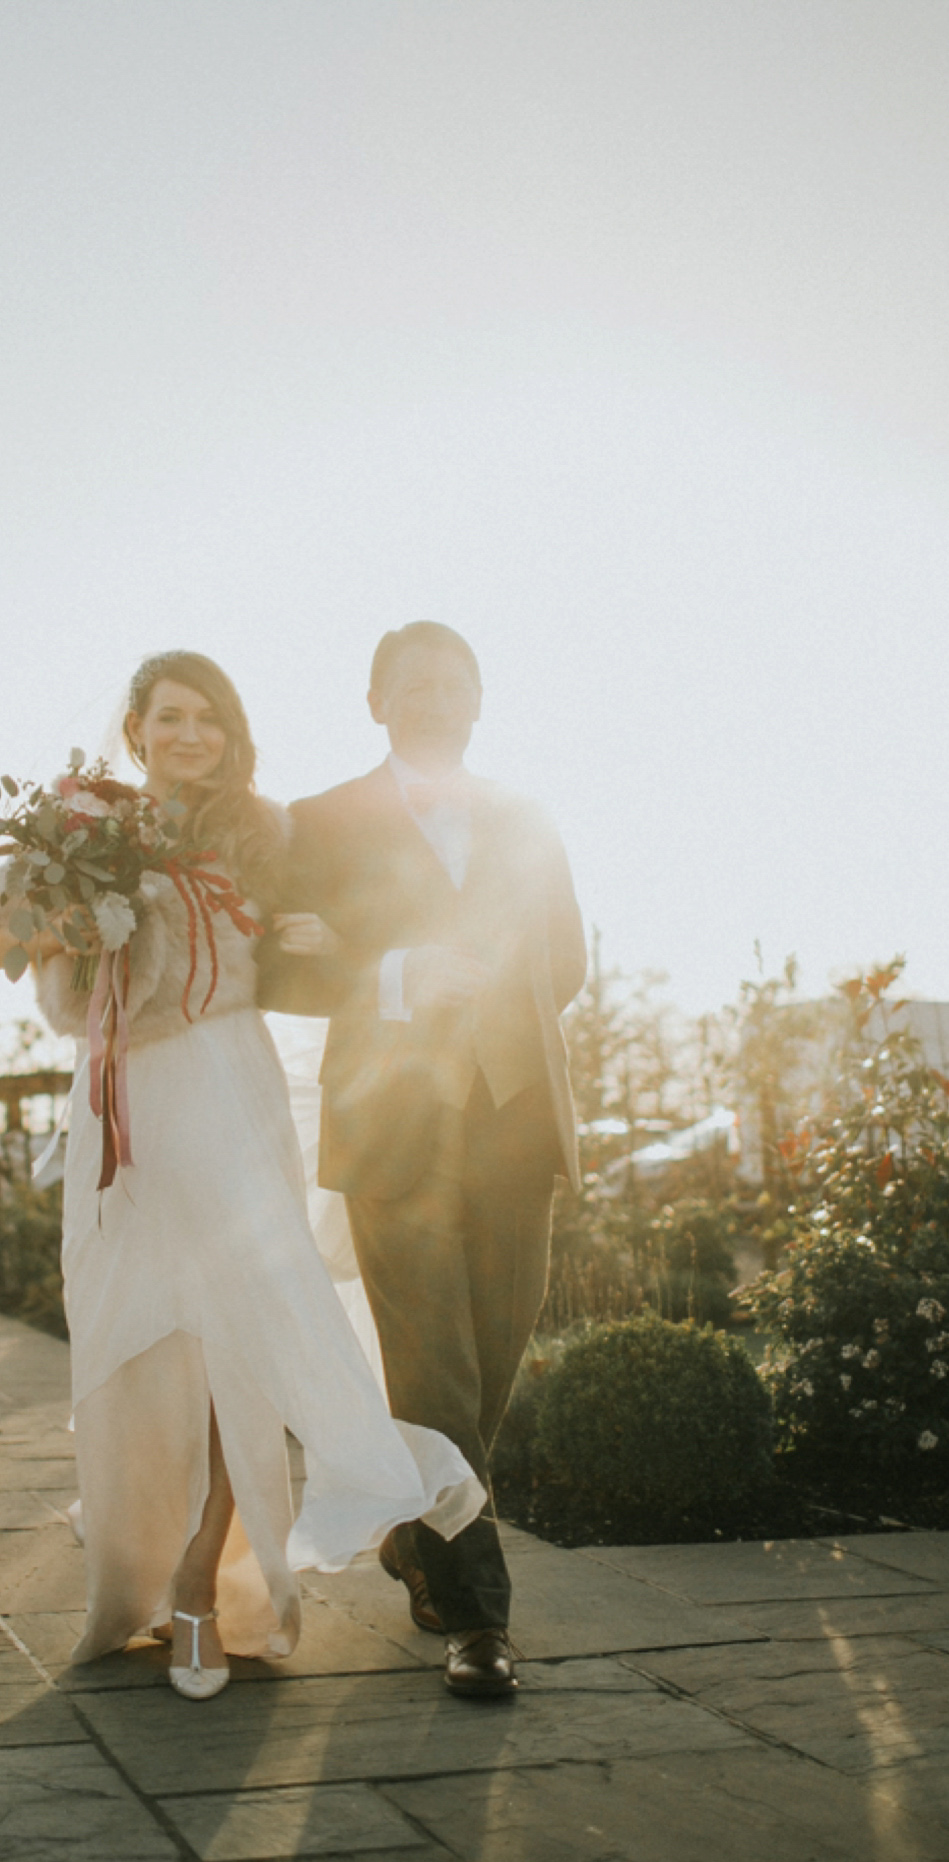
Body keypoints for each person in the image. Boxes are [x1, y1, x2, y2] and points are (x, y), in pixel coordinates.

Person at [0, 651, 483, 1701]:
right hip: (121, 1103)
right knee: (132, 1337)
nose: (190, 733)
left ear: (229, 731)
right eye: (170, 716)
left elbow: (329, 950)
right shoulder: (83, 822)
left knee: (236, 1330)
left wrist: (330, 940)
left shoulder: (267, 832)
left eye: (208, 716)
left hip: (226, 1089)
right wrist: (64, 917)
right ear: (138, 729)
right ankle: (138, 1583)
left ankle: (207, 1584)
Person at [259, 622, 586, 1698]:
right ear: (374, 701)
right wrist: (397, 976)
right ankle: (479, 1621)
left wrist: (494, 1011)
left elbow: (567, 961)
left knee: (492, 1358)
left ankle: (416, 1528)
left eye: (455, 684)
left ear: (481, 701)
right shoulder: (321, 822)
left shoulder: (527, 816)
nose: (436, 698)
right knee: (434, 1369)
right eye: (414, 684)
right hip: (391, 1122)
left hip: (513, 1119)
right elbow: (281, 967)